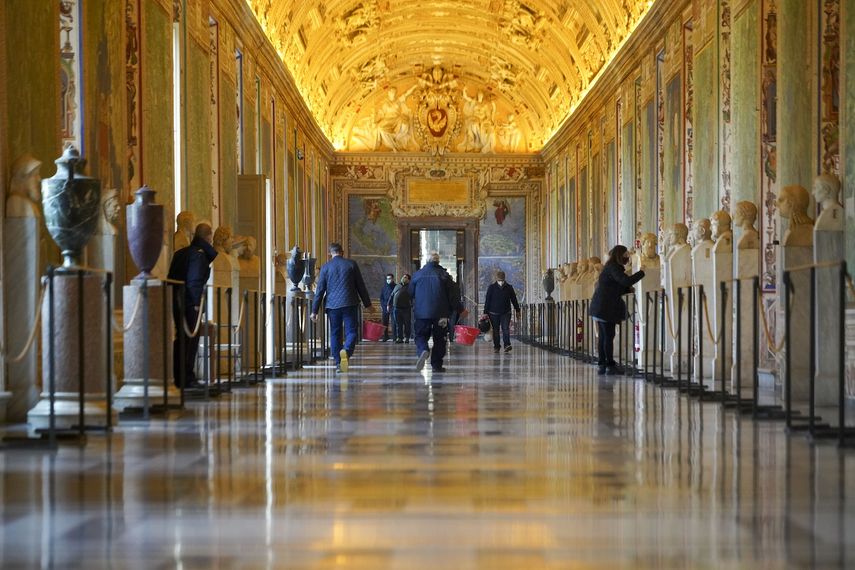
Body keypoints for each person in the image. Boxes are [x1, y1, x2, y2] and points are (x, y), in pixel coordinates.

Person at [167, 223, 218, 389]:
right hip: (189, 303)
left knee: (181, 339)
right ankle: (187, 377)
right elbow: (194, 281)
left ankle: (179, 376)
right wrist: (196, 304)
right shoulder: (198, 255)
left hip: (177, 300)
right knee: (189, 340)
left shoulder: (181, 253)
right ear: (209, 237)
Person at [310, 243, 372, 374]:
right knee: (352, 332)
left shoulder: (326, 267)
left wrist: (314, 310)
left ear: (330, 253)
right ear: (342, 252)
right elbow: (360, 286)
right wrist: (368, 305)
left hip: (332, 306)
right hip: (350, 303)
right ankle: (346, 351)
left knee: (335, 333)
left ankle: (338, 363)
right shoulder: (351, 264)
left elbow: (320, 290)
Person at [588, 245, 645, 375]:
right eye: (625, 255)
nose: (627, 258)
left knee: (604, 337)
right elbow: (625, 281)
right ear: (619, 255)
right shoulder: (613, 267)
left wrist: (627, 289)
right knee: (608, 336)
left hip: (601, 306)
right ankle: (609, 365)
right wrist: (641, 272)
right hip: (605, 308)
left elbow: (613, 286)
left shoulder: (610, 267)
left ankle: (602, 364)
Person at [408, 253, 468, 372]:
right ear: (438, 261)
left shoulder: (417, 275)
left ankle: (423, 349)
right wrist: (461, 310)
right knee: (440, 338)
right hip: (441, 314)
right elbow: (453, 296)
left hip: (421, 313)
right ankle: (436, 365)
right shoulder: (444, 275)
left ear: (427, 261)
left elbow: (410, 293)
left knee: (420, 335)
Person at [483, 270, 521, 353]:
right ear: (496, 279)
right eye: (499, 280)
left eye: (502, 280)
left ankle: (507, 345)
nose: (501, 282)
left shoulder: (509, 287)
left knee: (505, 329)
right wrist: (485, 312)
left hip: (506, 312)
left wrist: (517, 310)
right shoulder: (491, 287)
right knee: (495, 330)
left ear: (504, 279)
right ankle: (497, 346)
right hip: (493, 313)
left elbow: (514, 299)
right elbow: (487, 300)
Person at [389, 273, 412, 343]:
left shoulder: (410, 287)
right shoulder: (397, 286)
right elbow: (392, 295)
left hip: (406, 309)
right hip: (396, 308)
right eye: (403, 277)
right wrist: (388, 304)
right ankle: (400, 338)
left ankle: (407, 337)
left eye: (405, 277)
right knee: (398, 324)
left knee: (407, 324)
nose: (403, 278)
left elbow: (413, 297)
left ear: (409, 280)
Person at [379, 273, 396, 342]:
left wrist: (390, 305)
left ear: (393, 279)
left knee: (394, 322)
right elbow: (381, 298)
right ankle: (385, 336)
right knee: (384, 322)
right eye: (387, 279)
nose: (388, 280)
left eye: (390, 278)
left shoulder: (396, 287)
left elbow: (396, 297)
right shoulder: (384, 287)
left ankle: (395, 337)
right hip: (385, 307)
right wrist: (384, 306)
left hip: (393, 307)